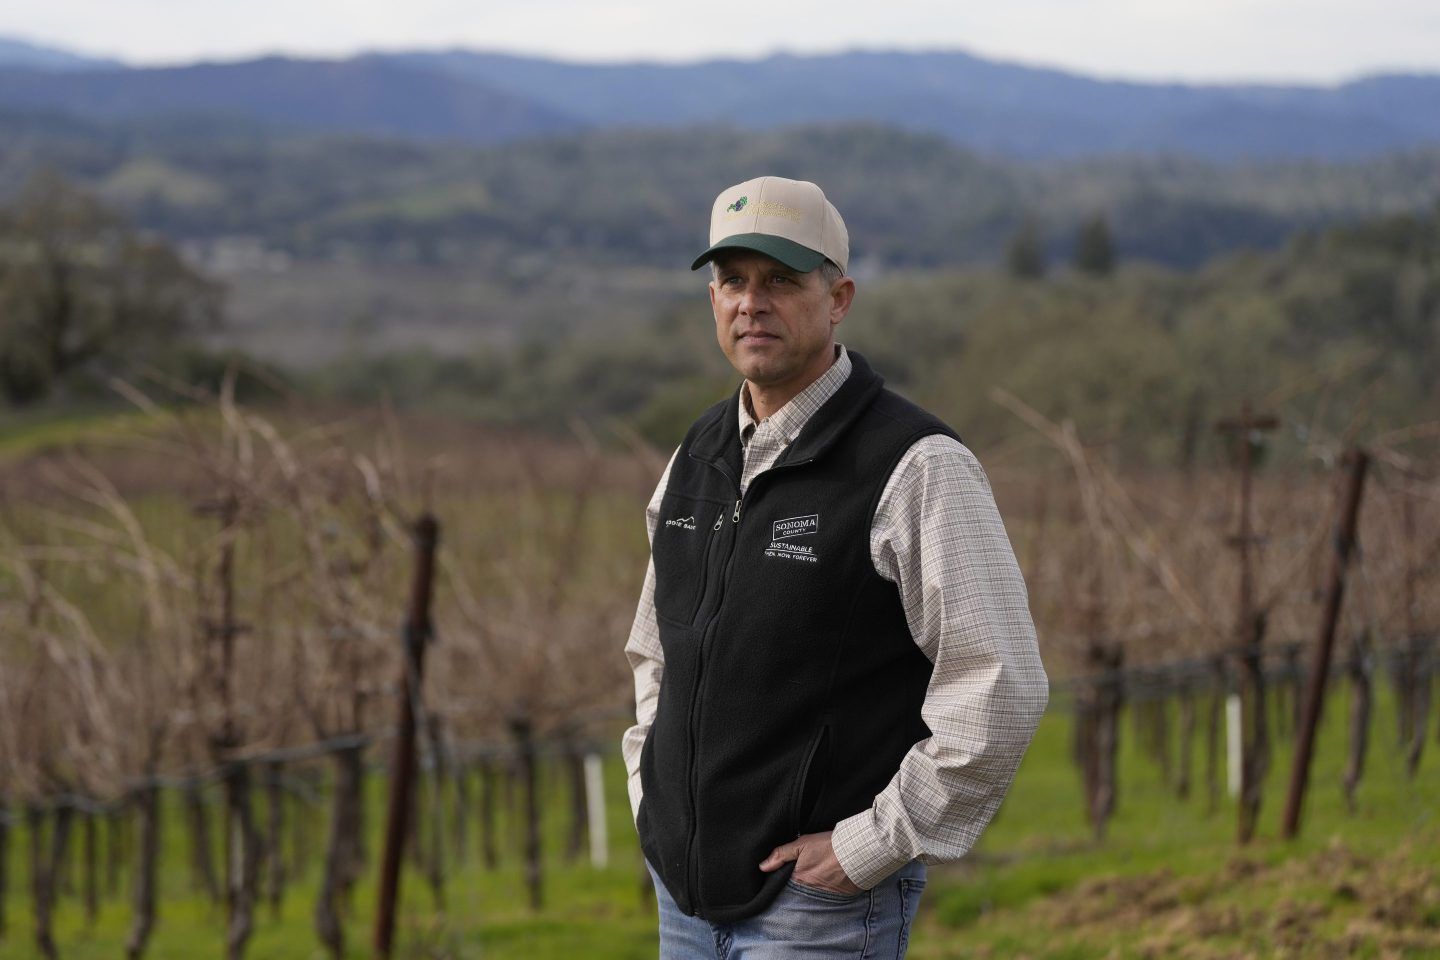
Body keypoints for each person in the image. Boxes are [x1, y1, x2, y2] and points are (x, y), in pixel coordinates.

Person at [622, 175, 1048, 958]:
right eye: (732, 281)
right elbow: (659, 650)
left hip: (814, 911)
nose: (752, 302)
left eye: (781, 280)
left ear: (839, 296)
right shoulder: (697, 453)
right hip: (682, 896)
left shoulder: (915, 465)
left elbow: (1001, 682)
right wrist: (650, 789)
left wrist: (871, 846)